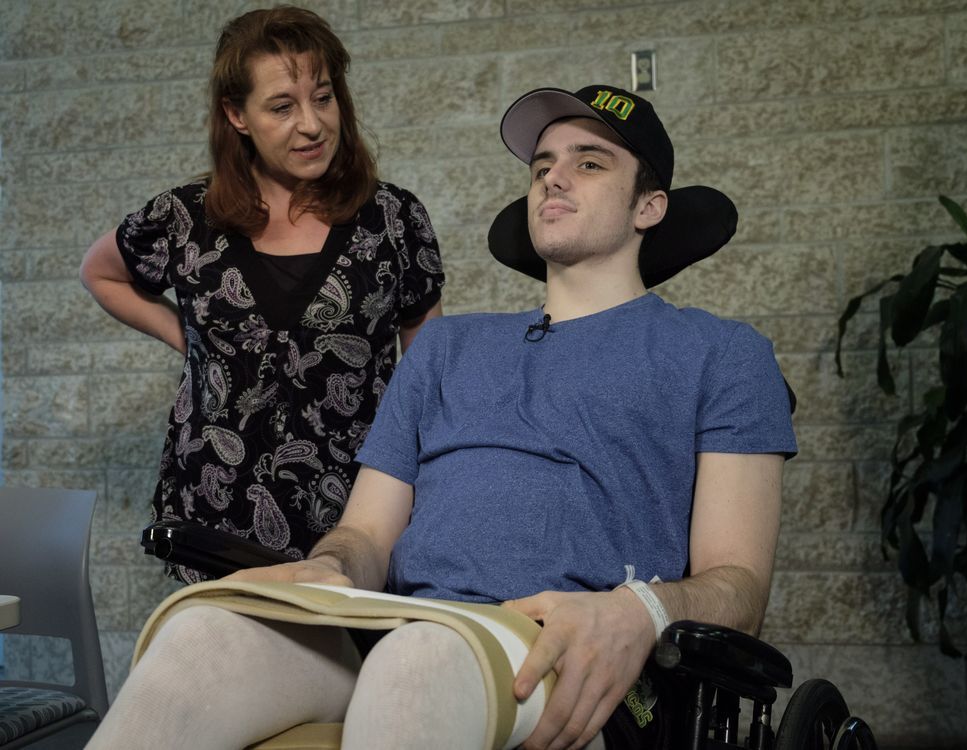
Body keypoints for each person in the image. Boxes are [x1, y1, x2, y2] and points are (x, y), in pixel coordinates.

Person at [86, 85, 795, 750]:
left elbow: (739, 585)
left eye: (590, 162)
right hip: (400, 627)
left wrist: (640, 610)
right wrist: (330, 566)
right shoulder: (450, 349)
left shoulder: (721, 353)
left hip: (565, 646)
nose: (554, 177)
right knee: (202, 631)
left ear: (649, 207)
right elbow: (367, 531)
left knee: (419, 660)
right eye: (543, 164)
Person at [79, 6, 445, 582]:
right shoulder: (182, 218)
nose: (312, 124)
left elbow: (427, 362)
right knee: (221, 667)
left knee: (358, 670)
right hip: (217, 514)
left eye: (323, 98)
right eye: (282, 106)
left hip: (358, 521)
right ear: (236, 114)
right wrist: (189, 340)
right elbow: (100, 273)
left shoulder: (394, 219)